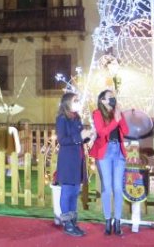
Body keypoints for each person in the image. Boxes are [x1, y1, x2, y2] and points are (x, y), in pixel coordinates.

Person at [89, 89, 129, 235]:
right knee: (107, 187)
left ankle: (117, 221)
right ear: (102, 100)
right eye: (109, 97)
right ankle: (107, 220)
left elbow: (126, 130)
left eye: (114, 97)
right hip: (105, 152)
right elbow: (102, 132)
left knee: (118, 188)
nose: (113, 99)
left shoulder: (117, 113)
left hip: (118, 151)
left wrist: (120, 116)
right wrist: (115, 121)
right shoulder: (97, 113)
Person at [56, 92, 93, 237]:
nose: (78, 102)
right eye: (75, 100)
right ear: (67, 103)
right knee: (67, 192)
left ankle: (73, 221)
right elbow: (63, 140)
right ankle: (67, 224)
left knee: (74, 192)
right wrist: (80, 137)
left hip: (78, 159)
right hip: (67, 161)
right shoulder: (61, 119)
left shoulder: (77, 118)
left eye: (78, 100)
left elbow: (79, 138)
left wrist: (87, 137)